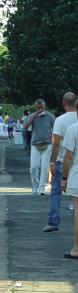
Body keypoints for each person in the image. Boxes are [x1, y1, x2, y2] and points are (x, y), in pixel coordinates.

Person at [43, 93, 77, 232]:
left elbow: (56, 142)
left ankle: (53, 221)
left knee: (56, 191)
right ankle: (76, 222)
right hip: (76, 162)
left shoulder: (60, 120)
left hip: (63, 159)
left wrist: (52, 161)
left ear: (63, 103)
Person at [23, 99, 55, 195]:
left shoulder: (50, 116)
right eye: (38, 108)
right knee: (34, 167)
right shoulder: (32, 116)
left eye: (42, 107)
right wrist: (34, 116)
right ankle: (35, 185)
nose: (40, 109)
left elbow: (55, 129)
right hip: (35, 144)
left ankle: (42, 188)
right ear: (35, 107)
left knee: (44, 167)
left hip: (47, 143)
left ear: (45, 107)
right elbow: (25, 126)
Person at [61, 99, 78, 258]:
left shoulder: (73, 129)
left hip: (76, 175)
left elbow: (68, 156)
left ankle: (76, 249)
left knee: (77, 211)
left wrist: (64, 177)